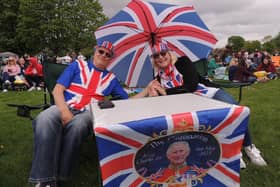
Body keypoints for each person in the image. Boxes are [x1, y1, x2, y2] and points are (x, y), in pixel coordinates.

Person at [29, 41, 158, 187]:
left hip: (89, 112)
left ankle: (60, 175)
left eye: (108, 55)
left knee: (78, 125)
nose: (103, 55)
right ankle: (46, 180)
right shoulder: (77, 65)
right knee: (44, 118)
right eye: (101, 51)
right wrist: (64, 112)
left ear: (110, 59)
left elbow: (127, 101)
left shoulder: (111, 79)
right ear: (95, 51)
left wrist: (147, 89)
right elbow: (57, 90)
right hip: (65, 106)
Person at [149, 41, 267, 169]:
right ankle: (233, 151)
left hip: (208, 93)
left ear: (169, 53)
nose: (160, 57)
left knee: (234, 109)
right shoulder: (158, 77)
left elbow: (191, 86)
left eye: (163, 53)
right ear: (154, 60)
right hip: (191, 105)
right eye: (156, 56)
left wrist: (164, 92)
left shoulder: (182, 62)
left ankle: (248, 146)